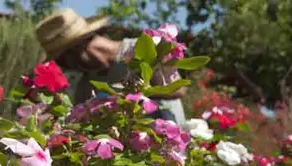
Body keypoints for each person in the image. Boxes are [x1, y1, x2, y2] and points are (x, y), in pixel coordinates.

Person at [34, 9, 188, 125]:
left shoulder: (142, 47)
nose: (66, 68)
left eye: (62, 61)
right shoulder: (86, 88)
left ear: (73, 50)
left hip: (170, 150)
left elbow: (178, 89)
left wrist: (128, 95)